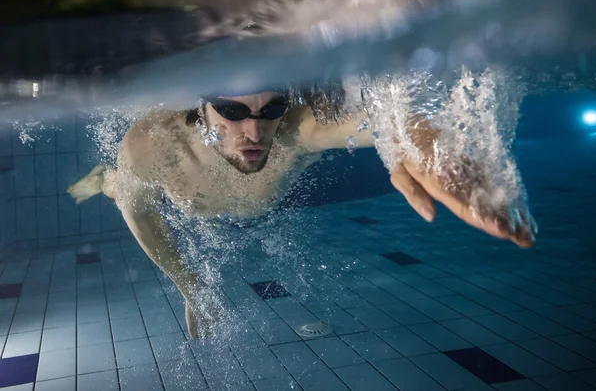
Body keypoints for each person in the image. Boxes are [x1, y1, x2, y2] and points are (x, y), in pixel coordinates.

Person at [67, 88, 536, 337]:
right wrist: (191, 288)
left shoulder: (294, 131)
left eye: (271, 107)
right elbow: (142, 212)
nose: (254, 130)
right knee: (119, 187)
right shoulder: (153, 142)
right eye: (231, 110)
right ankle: (99, 177)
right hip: (177, 194)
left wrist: (417, 148)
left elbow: (385, 118)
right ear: (202, 106)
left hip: (244, 203)